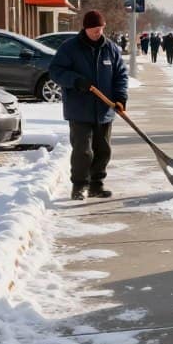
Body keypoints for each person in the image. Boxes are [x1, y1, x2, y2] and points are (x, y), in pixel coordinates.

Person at [49, 10, 129, 201]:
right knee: (83, 151)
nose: (97, 33)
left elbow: (121, 76)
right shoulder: (70, 48)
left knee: (103, 150)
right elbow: (55, 71)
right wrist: (76, 81)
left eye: (100, 29)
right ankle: (79, 186)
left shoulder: (110, 48)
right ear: (85, 29)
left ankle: (96, 185)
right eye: (93, 30)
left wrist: (120, 98)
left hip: (105, 109)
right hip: (79, 109)